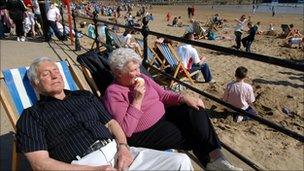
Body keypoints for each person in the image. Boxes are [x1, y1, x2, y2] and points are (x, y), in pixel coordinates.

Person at [16, 57, 194, 170]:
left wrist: (123, 148)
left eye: (56, 71)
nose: (55, 76)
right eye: (47, 74)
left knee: (181, 161)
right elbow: (40, 163)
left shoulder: (84, 96)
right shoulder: (31, 116)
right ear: (36, 83)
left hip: (118, 152)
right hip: (82, 164)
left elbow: (111, 123)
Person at [103, 48, 243, 171]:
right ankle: (210, 163)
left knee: (195, 109)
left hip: (165, 114)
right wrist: (137, 99)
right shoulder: (113, 92)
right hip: (146, 132)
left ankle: (218, 159)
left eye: (138, 68)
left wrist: (183, 98)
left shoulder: (143, 77)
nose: (139, 73)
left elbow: (163, 95)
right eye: (133, 70)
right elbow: (126, 130)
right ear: (118, 72)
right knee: (191, 133)